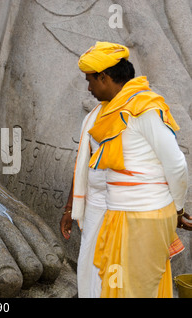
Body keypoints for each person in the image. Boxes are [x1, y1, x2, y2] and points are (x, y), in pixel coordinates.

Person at [70, 41, 191, 298]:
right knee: (117, 287)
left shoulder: (143, 109)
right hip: (120, 214)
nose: (88, 87)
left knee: (135, 290)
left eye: (90, 80)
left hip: (143, 217)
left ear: (104, 77)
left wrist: (177, 207)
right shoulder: (110, 111)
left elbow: (177, 164)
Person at [60, 101, 107, 298]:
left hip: (126, 209)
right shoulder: (95, 115)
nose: (89, 88)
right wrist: (70, 208)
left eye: (92, 80)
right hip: (94, 208)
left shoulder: (138, 114)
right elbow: (82, 163)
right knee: (89, 265)